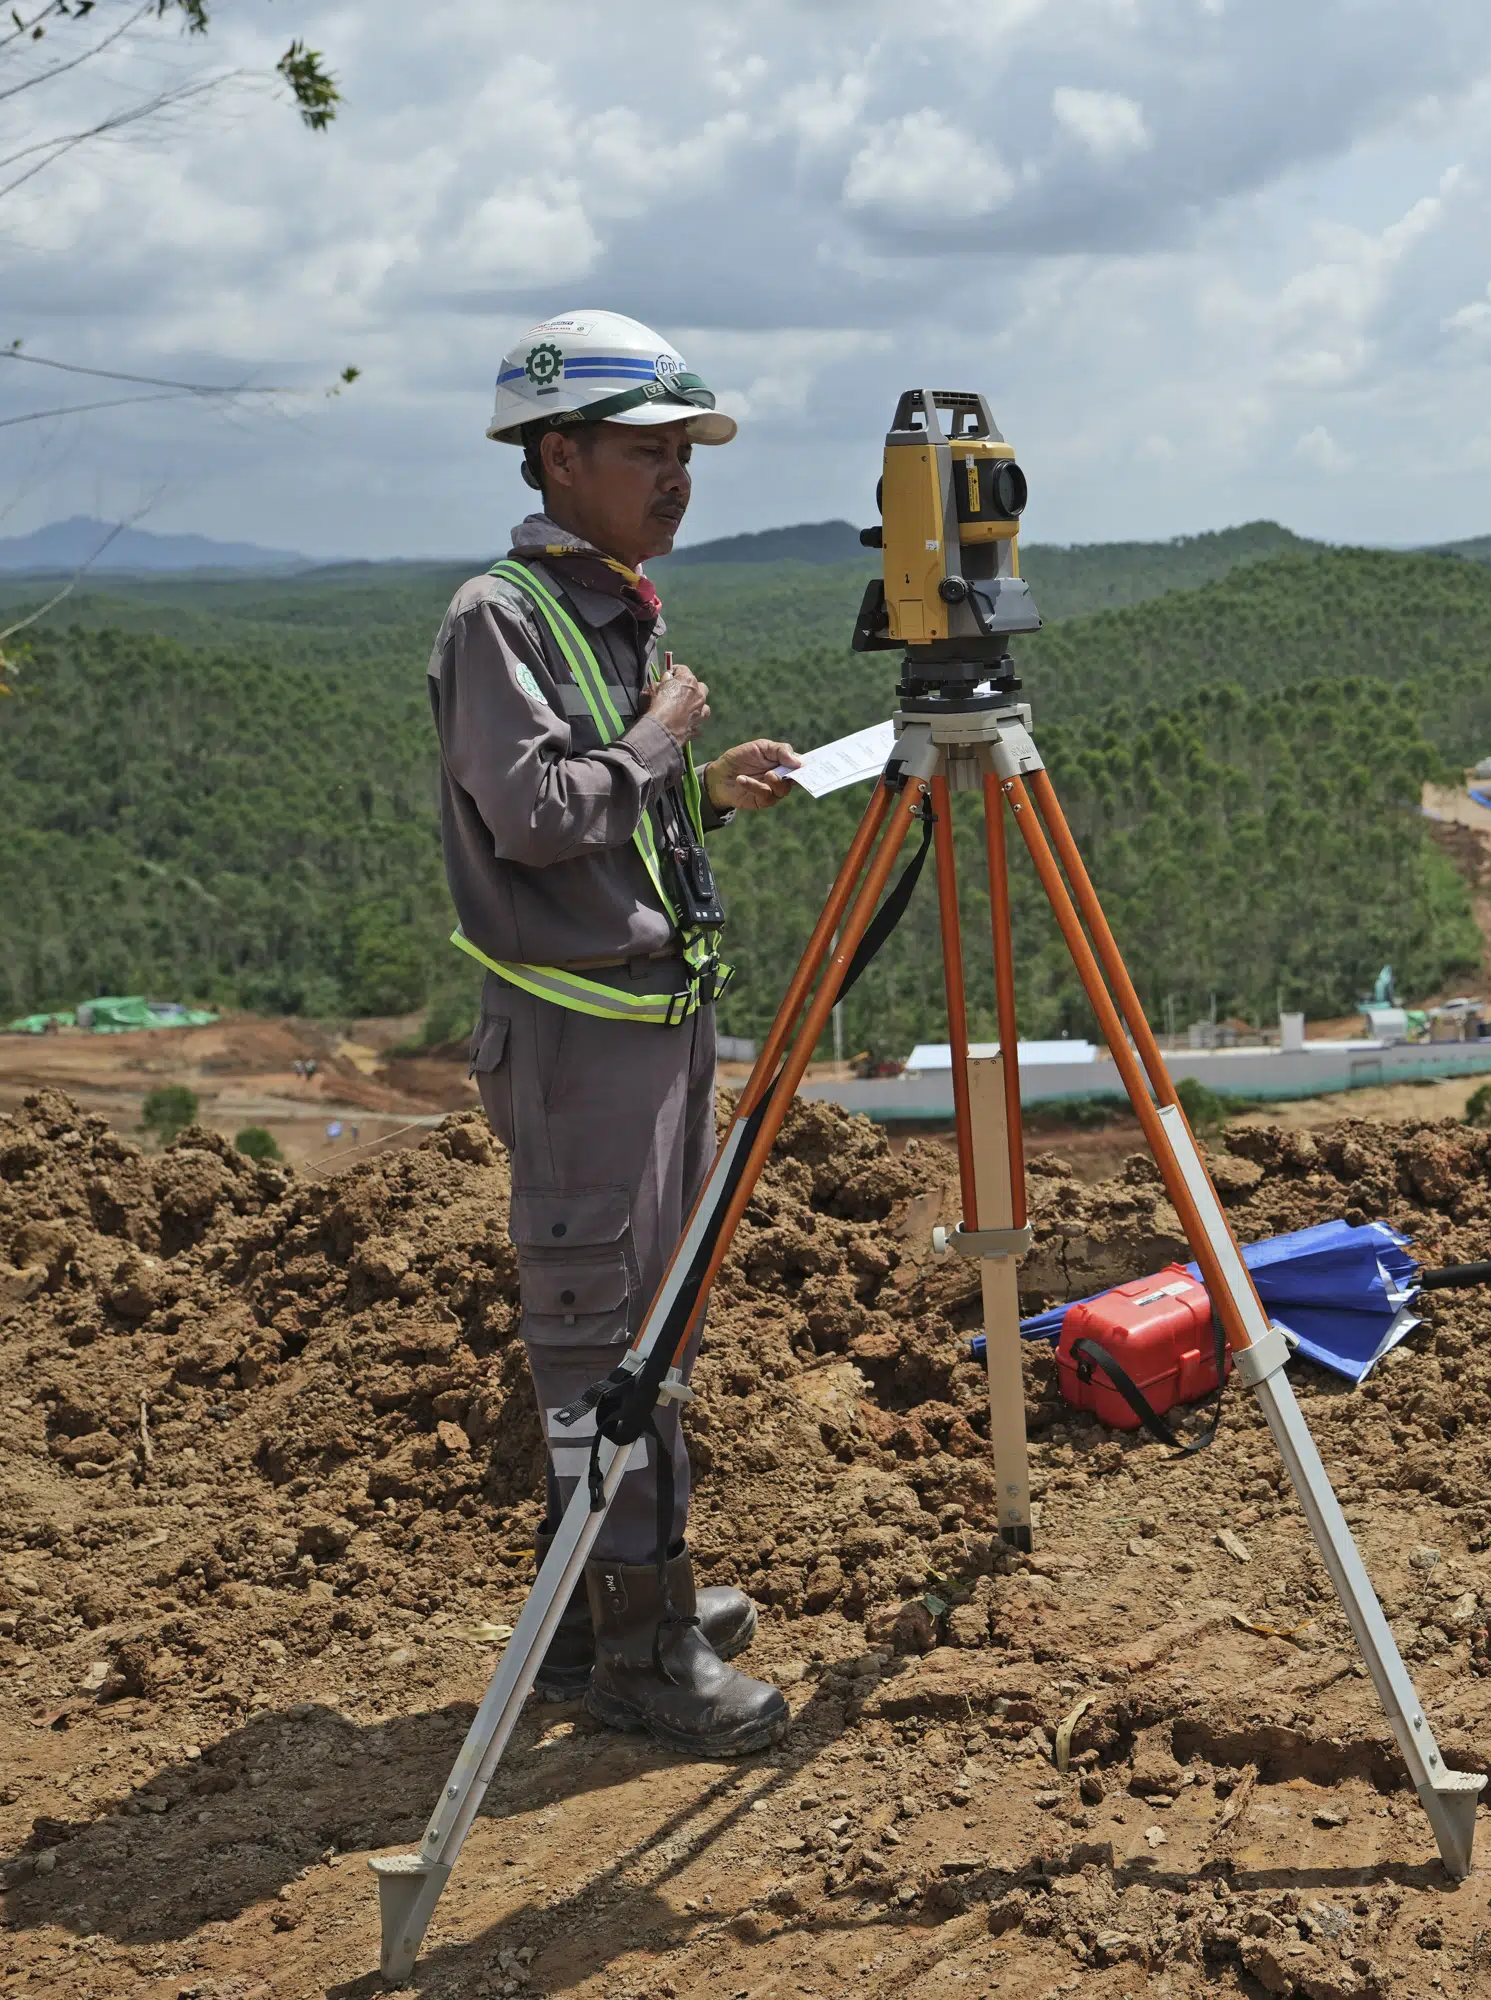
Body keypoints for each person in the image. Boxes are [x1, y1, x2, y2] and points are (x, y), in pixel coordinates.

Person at [430, 309, 803, 1757]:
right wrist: (661, 742)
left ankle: (610, 1607)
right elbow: (530, 819)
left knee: (651, 1331)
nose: (677, 478)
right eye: (649, 451)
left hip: (652, 1032)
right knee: (600, 1341)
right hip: (582, 1044)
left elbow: (600, 832)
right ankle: (636, 1656)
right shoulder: (498, 618)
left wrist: (705, 795)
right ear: (560, 455)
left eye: (684, 453)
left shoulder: (609, 611)